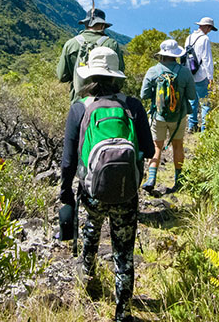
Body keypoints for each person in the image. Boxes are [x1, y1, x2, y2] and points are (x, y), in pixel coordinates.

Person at [60, 46, 154, 322]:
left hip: (91, 192)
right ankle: (122, 313)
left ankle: (87, 277)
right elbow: (148, 150)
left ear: (90, 76)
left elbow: (68, 161)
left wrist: (65, 194)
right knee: (123, 251)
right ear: (116, 76)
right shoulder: (132, 106)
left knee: (91, 228)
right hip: (126, 192)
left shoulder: (79, 108)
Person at [139, 39, 196, 194]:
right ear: (176, 55)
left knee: (157, 146)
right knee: (178, 145)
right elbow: (191, 95)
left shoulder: (153, 71)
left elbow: (143, 95)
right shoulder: (184, 72)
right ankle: (179, 181)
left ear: (161, 55)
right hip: (179, 118)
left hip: (159, 117)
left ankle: (151, 178)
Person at [56, 8, 125, 103]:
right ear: (102, 25)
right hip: (107, 101)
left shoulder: (70, 44)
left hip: (79, 102)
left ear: (86, 24)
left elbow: (62, 76)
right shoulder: (111, 44)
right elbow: (119, 78)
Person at [185, 16, 216, 132]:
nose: (209, 31)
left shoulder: (189, 38)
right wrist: (210, 76)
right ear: (207, 27)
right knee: (205, 102)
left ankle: (191, 126)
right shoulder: (205, 39)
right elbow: (207, 59)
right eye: (210, 29)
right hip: (201, 74)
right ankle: (205, 128)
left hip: (189, 73)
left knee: (192, 101)